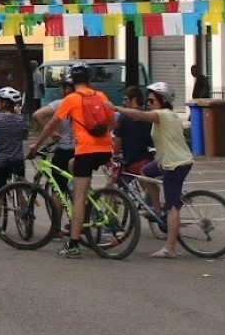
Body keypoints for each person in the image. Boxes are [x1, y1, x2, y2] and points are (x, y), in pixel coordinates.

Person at [30, 63, 117, 259]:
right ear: (89, 80)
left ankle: (74, 244)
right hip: (104, 150)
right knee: (73, 171)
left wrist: (36, 146)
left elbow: (50, 125)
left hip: (85, 151)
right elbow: (112, 124)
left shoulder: (70, 100)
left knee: (77, 197)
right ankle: (89, 199)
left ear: (72, 81)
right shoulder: (101, 96)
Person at [115, 82, 195, 258]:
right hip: (170, 160)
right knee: (145, 172)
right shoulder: (169, 116)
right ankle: (156, 209)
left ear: (162, 100)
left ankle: (170, 248)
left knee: (172, 206)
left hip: (175, 164)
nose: (148, 103)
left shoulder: (163, 115)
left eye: (151, 100)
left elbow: (139, 115)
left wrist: (116, 108)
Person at [0, 87, 29, 236]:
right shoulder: (21, 120)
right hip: (17, 160)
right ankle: (25, 214)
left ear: (3, 103)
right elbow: (24, 136)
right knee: (21, 187)